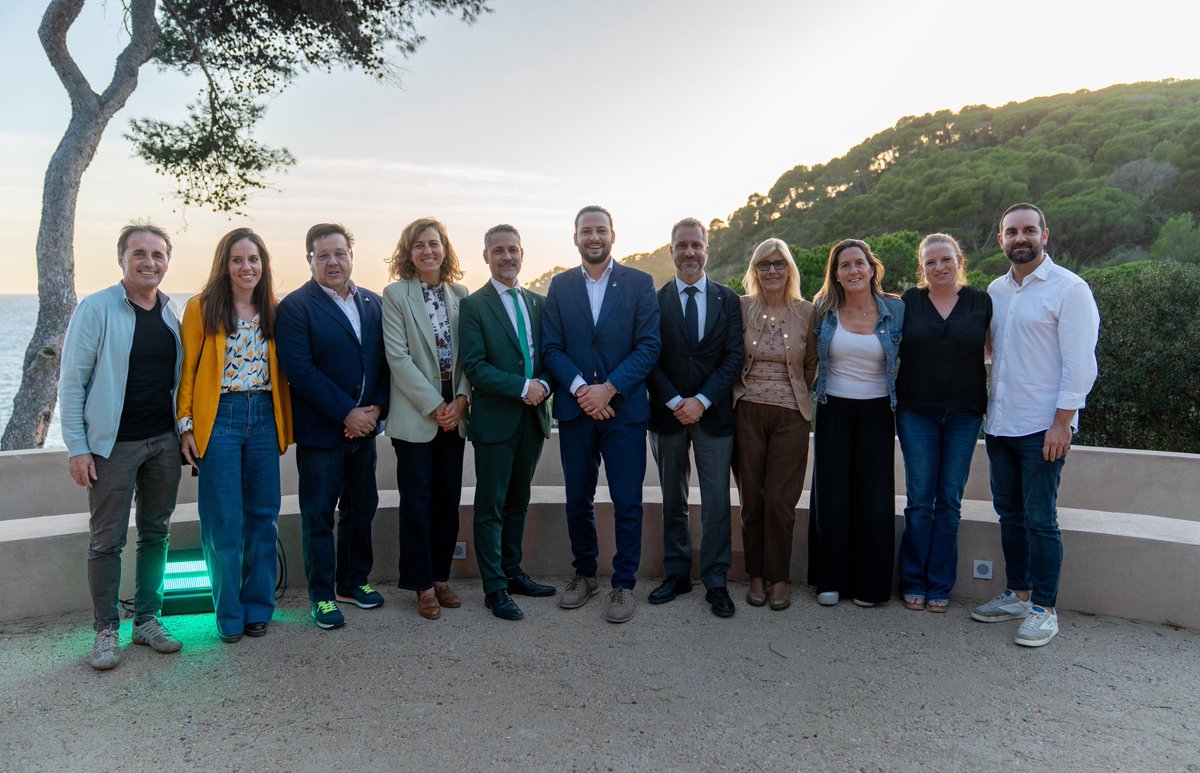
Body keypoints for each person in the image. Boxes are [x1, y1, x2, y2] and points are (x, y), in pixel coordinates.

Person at [970, 203, 1099, 647]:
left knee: (1041, 519)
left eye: (1028, 230)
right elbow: (994, 354)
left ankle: (1044, 608)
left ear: (1045, 235)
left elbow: (1081, 366)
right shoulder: (996, 290)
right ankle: (1018, 593)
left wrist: (1062, 424)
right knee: (1010, 514)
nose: (1019, 238)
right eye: (1011, 232)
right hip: (1001, 425)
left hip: (1043, 427)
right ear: (1001, 238)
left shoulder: (1070, 289)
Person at [60, 222, 184, 670]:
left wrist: (182, 433)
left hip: (163, 443)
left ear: (166, 262)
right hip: (112, 447)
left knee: (157, 534)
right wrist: (77, 446)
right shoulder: (95, 309)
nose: (149, 262)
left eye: (157, 255)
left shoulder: (172, 312)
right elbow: (72, 384)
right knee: (107, 541)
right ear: (121, 259)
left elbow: (178, 382)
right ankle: (105, 630)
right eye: (140, 253)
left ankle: (148, 622)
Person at [541, 205, 661, 624]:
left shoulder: (640, 283)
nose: (594, 237)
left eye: (601, 231)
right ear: (575, 238)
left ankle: (623, 584)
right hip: (576, 412)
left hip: (624, 411)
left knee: (628, 500)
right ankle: (585, 574)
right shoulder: (559, 286)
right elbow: (551, 348)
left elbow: (648, 346)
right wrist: (581, 391)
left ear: (613, 235)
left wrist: (608, 389)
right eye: (586, 231)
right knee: (578, 499)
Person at [177, 228, 293, 641]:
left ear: (264, 266)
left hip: (264, 417)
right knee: (223, 522)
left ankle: (258, 608)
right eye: (238, 260)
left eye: (254, 259)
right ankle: (227, 615)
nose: (247, 267)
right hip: (219, 419)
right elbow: (186, 372)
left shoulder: (275, 310)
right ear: (224, 265)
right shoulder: (201, 308)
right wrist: (186, 426)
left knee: (264, 518)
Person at [275, 223, 390, 630]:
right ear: (310, 260)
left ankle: (352, 582)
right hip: (323, 433)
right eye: (323, 255)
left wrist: (375, 410)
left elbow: (383, 363)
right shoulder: (294, 307)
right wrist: (347, 413)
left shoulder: (374, 304)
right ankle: (322, 595)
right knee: (320, 515)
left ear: (351, 255)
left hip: (366, 429)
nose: (333, 262)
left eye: (339, 253)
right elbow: (301, 372)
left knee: (363, 508)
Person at [646, 217, 743, 618]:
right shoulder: (653, 300)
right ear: (671, 251)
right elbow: (648, 356)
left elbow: (734, 356)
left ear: (707, 249)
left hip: (714, 415)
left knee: (717, 501)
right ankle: (677, 573)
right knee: (674, 500)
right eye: (681, 245)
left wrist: (701, 400)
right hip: (667, 416)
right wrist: (674, 402)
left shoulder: (728, 299)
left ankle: (716, 581)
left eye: (696, 245)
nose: (689, 252)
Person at [458, 224, 557, 621]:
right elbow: (476, 367)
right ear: (486, 256)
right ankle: (494, 587)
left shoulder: (538, 302)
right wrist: (522, 387)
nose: (507, 257)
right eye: (498, 250)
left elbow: (549, 356)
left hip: (534, 418)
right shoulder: (474, 305)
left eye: (513, 249)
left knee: (519, 502)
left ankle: (514, 573)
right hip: (496, 420)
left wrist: (544, 386)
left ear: (522, 253)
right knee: (491, 505)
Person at [895, 234, 991, 613]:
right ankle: (913, 579)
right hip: (916, 410)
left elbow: (996, 348)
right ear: (922, 267)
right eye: (930, 262)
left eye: (945, 259)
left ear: (959, 259)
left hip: (965, 413)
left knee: (949, 500)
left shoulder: (981, 302)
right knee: (920, 500)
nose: (938, 267)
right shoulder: (908, 302)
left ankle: (940, 584)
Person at [381, 217, 471, 621]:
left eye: (434, 244)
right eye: (418, 245)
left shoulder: (461, 294)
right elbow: (397, 358)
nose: (427, 251)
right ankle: (420, 585)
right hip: (418, 411)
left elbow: (471, 353)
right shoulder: (396, 295)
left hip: (457, 408)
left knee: (447, 498)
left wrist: (463, 400)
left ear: (445, 249)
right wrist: (436, 405)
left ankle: (440, 577)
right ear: (408, 253)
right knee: (417, 500)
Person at [808, 238, 904, 607]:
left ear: (871, 267)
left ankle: (871, 585)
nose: (853, 270)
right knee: (832, 496)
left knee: (875, 500)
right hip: (833, 409)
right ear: (835, 274)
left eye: (858, 263)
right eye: (844, 265)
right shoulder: (823, 309)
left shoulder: (895, 310)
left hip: (879, 410)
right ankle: (830, 580)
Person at [732, 238, 818, 611]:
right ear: (755, 270)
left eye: (778, 263)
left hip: (791, 416)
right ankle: (755, 573)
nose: (771, 270)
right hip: (746, 411)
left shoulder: (807, 312)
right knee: (752, 499)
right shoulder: (740, 308)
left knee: (782, 502)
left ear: (789, 269)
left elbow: (812, 364)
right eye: (764, 264)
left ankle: (779, 576)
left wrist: (797, 394)